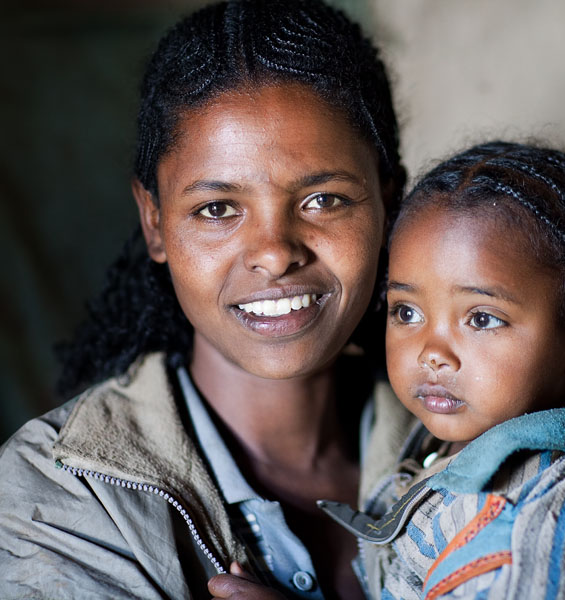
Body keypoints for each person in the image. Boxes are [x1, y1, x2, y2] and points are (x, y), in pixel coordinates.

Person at [0, 1, 416, 598]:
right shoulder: (61, 494)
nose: (274, 253)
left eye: (324, 199)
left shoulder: (480, 441)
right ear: (155, 224)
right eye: (217, 209)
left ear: (386, 201)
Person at [209, 141, 565, 599]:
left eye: (481, 318)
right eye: (406, 312)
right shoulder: (450, 445)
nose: (432, 352)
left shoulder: (524, 524)